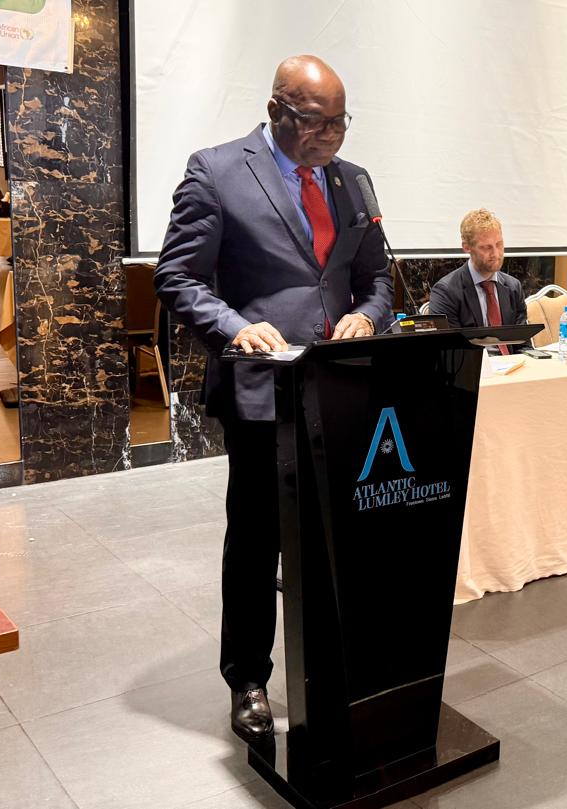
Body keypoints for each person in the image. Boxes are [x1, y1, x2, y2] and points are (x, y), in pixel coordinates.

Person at [153, 55, 392, 743]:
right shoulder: (217, 171)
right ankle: (248, 677)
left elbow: (377, 277)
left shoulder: (353, 180)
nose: (333, 135)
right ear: (277, 110)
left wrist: (367, 316)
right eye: (317, 122)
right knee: (257, 541)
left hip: (339, 387)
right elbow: (178, 276)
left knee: (332, 537)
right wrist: (234, 327)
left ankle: (332, 665)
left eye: (341, 122)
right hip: (262, 389)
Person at [428, 208, 528, 353]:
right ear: (466, 247)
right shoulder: (446, 292)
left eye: (499, 244)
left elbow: (523, 344)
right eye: (486, 247)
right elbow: (451, 352)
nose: (496, 254)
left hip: (513, 364)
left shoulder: (513, 287)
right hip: (473, 365)